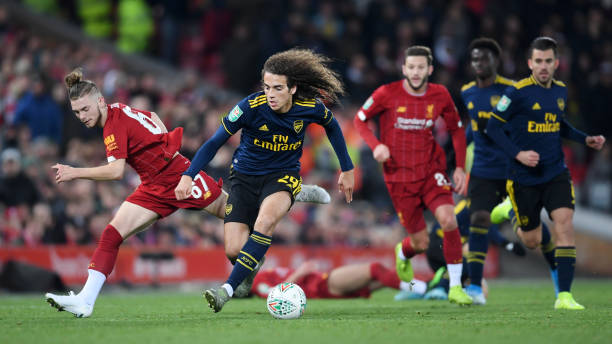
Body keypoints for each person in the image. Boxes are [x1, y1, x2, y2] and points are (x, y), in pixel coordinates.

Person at [44, 68, 330, 318]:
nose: (82, 116)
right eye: (77, 112)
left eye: (85, 109)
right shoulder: (118, 110)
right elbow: (153, 117)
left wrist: (74, 172)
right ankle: (85, 300)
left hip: (178, 175)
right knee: (111, 234)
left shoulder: (113, 127)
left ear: (100, 101)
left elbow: (116, 172)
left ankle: (291, 191)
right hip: (152, 185)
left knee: (237, 214)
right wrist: (158, 143)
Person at [175, 48, 355, 313]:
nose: (270, 93)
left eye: (278, 88)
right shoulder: (250, 107)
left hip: (282, 177)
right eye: (267, 86)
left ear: (293, 89)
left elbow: (333, 126)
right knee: (235, 250)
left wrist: (347, 168)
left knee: (265, 222)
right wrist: (188, 175)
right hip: (244, 179)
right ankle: (253, 262)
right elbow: (214, 142)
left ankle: (226, 289)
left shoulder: (310, 108)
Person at [486, 37, 605, 310]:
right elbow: (493, 127)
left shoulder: (561, 91)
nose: (543, 66)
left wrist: (584, 139)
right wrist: (518, 154)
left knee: (564, 225)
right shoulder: (516, 92)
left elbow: (558, 124)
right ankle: (510, 211)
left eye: (548, 61)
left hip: (555, 172)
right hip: (523, 177)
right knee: (532, 240)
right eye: (538, 61)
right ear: (530, 63)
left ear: (556, 63)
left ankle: (564, 296)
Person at [353, 45, 472, 305]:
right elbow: (359, 120)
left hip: (432, 171)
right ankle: (403, 252)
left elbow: (457, 130)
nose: (416, 72)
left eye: (421, 67)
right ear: (403, 68)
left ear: (430, 69)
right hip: (399, 178)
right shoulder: (386, 93)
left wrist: (460, 167)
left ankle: (455, 287)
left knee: (448, 220)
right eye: (411, 67)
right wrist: (377, 146)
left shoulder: (440, 95)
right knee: (419, 243)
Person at [460, 38, 524, 304]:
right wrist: (456, 157)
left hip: (512, 169)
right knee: (478, 219)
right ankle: (475, 288)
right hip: (483, 170)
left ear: (496, 61)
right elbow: (471, 128)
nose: (479, 63)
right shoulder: (467, 92)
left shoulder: (513, 90)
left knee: (530, 235)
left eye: (484, 58)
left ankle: (561, 284)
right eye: (475, 59)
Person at [394, 199, 526, 301]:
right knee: (468, 266)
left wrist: (509, 245)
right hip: (438, 244)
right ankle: (438, 288)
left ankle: (419, 289)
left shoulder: (479, 207)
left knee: (480, 288)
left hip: (447, 247)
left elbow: (490, 231)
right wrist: (509, 245)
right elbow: (489, 231)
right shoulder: (470, 206)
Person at [249, 260, 420, 300]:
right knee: (375, 269)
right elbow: (275, 296)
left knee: (383, 278)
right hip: (323, 285)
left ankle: (421, 287)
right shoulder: (257, 284)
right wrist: (299, 273)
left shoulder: (264, 272)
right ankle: (420, 288)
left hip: (323, 284)